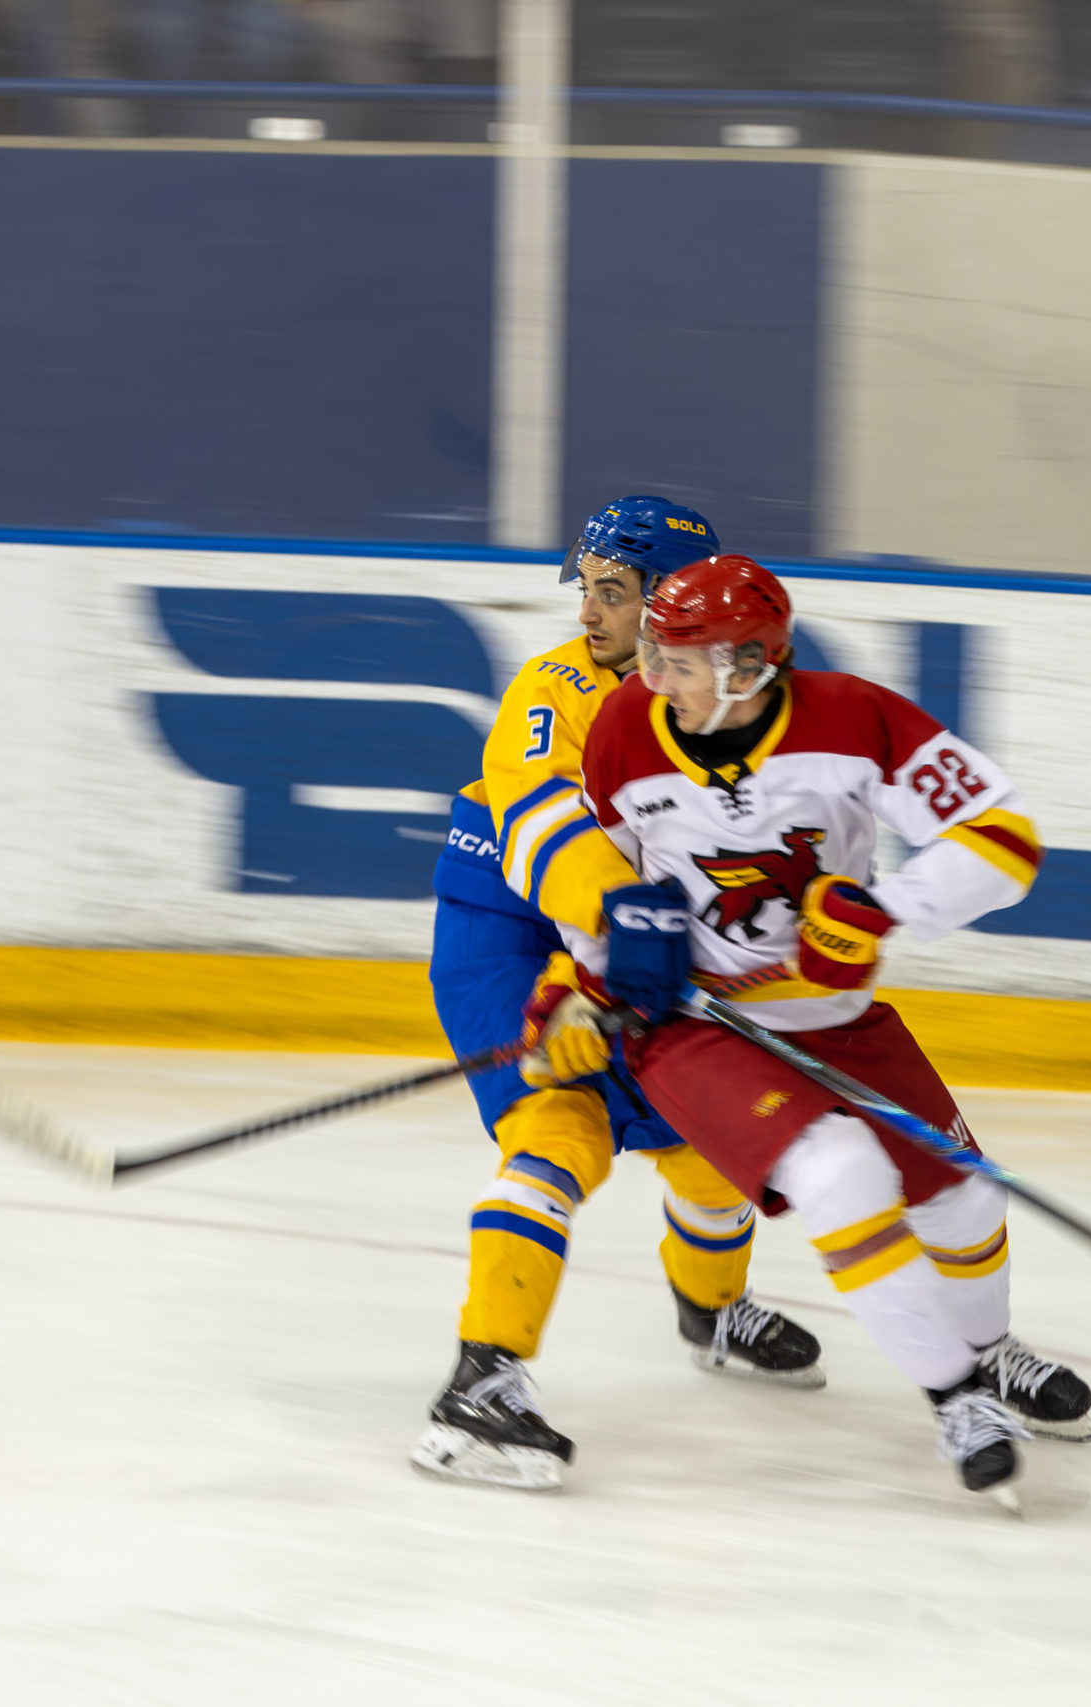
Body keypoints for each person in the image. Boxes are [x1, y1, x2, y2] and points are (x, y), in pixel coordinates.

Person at [523, 554, 1091, 1502]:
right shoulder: (626, 728)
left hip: (838, 1017)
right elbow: (603, 887)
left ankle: (990, 1353)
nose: (653, 675)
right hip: (697, 1027)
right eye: (654, 651)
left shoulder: (856, 718)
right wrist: (576, 989)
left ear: (748, 669)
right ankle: (957, 1398)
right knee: (841, 1174)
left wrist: (880, 910)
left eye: (680, 658)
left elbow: (1003, 841)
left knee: (965, 1206)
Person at [411, 498, 823, 1494]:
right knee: (562, 1129)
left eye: (612, 592)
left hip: (647, 944)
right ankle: (480, 1384)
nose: (587, 613)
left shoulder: (722, 690)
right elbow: (540, 825)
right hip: (510, 935)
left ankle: (710, 1308)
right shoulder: (554, 686)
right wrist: (624, 919)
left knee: (712, 1141)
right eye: (585, 589)